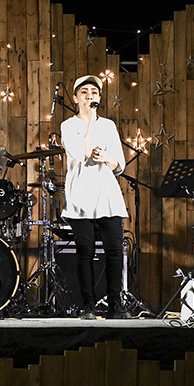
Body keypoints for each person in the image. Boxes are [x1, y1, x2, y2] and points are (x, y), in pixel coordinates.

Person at [60, 74, 129, 318]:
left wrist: (107, 158)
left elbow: (118, 163)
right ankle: (88, 306)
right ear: (77, 97)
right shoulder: (68, 125)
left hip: (107, 194)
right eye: (85, 92)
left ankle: (115, 306)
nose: (90, 96)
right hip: (81, 194)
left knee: (114, 251)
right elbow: (83, 154)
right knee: (85, 251)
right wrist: (89, 121)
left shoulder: (109, 125)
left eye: (95, 93)